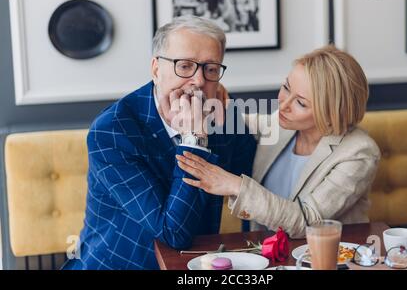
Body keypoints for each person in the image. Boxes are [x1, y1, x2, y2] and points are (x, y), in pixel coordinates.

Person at [62, 16, 257, 270]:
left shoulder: (221, 115)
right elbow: (172, 234)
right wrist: (194, 139)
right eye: (185, 66)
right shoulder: (112, 130)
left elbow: (254, 174)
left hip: (195, 267)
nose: (198, 81)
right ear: (156, 69)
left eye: (210, 69)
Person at [177, 45, 381, 238]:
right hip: (266, 254)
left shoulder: (359, 152)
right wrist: (220, 102)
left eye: (301, 103)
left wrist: (235, 186)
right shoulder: (282, 123)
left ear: (331, 114)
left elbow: (307, 222)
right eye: (286, 87)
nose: (284, 104)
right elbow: (246, 122)